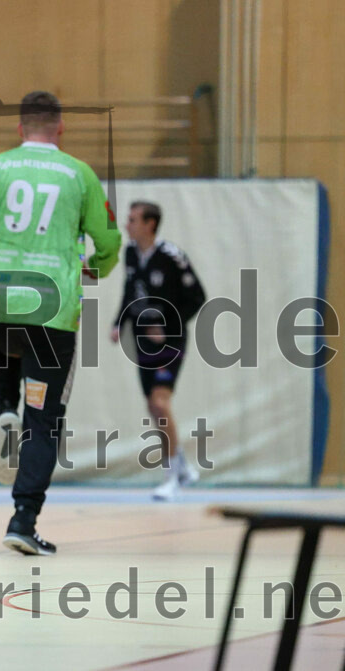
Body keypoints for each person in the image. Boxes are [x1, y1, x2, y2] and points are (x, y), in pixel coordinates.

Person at [0, 91, 122, 555]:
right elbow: (109, 239)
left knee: (6, 336)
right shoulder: (80, 174)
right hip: (53, 305)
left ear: (20, 128)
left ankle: (4, 406)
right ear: (61, 127)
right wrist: (97, 268)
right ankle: (23, 518)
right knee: (44, 419)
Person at [111, 201, 206, 501]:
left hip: (170, 341)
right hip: (142, 340)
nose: (127, 225)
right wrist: (119, 322)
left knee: (160, 403)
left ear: (150, 224)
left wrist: (168, 326)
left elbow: (198, 297)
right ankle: (183, 467)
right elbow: (129, 289)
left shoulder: (172, 257)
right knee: (153, 408)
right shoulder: (130, 253)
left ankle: (171, 477)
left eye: (133, 220)